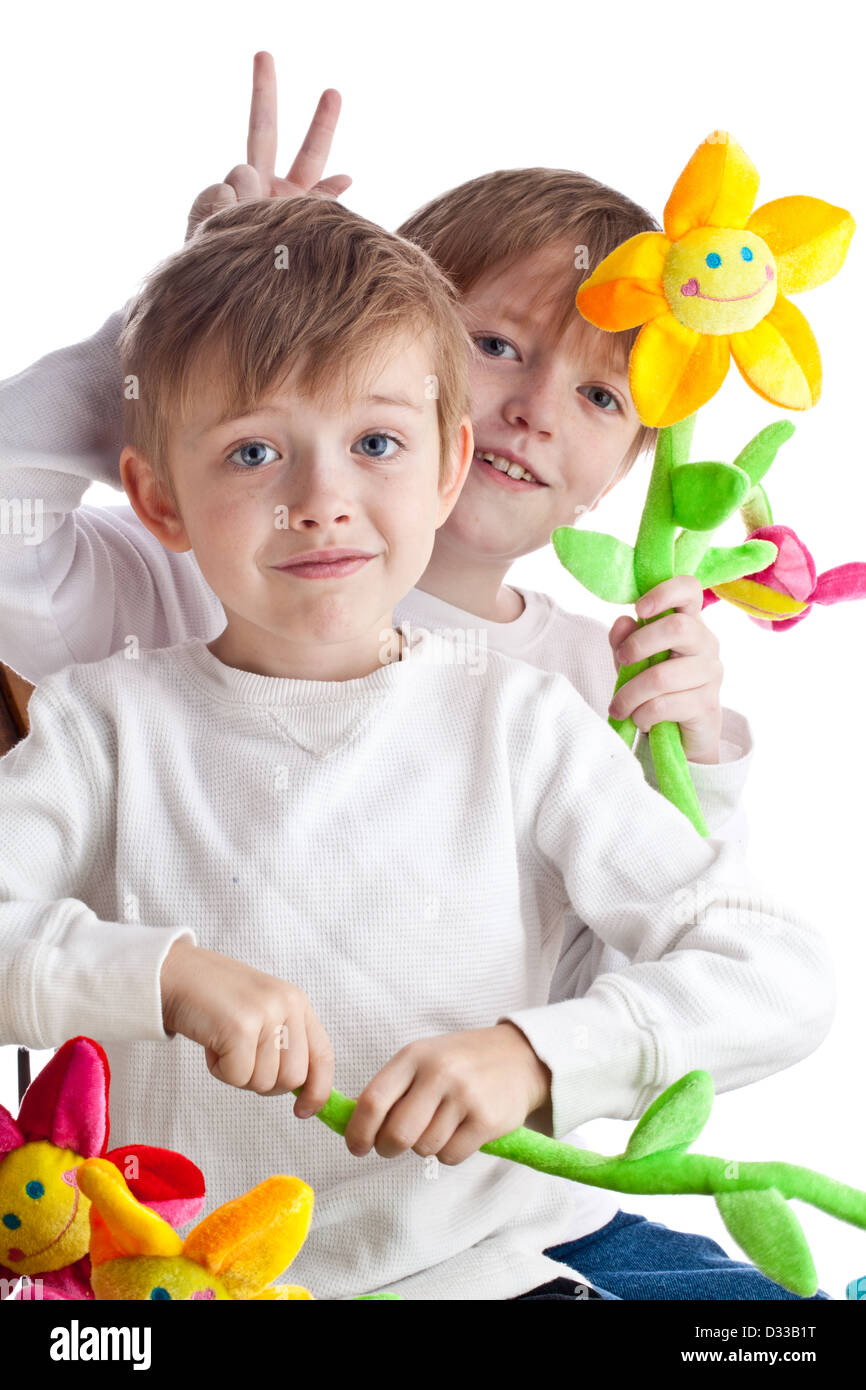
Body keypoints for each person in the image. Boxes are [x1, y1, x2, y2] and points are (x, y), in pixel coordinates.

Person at [0, 193, 832, 1300]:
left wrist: (536, 1057)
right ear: (157, 496)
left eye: (375, 443)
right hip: (191, 1278)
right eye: (253, 450)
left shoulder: (531, 718)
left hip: (497, 1264)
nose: (319, 500)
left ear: (445, 466)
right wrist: (162, 976)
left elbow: (763, 967)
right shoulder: (103, 718)